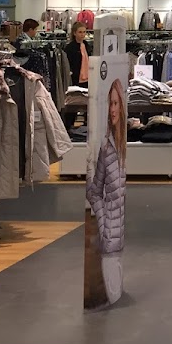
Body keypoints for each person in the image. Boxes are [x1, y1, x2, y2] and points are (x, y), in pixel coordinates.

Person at [86, 77, 127, 306]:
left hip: (121, 239)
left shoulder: (122, 146)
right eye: (110, 104)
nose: (112, 109)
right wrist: (104, 224)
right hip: (111, 240)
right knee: (113, 298)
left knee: (118, 297)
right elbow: (94, 192)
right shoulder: (106, 147)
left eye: (115, 103)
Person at [65, 21, 91, 88]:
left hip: (88, 77)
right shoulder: (70, 47)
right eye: (80, 32)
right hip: (75, 78)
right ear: (74, 33)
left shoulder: (87, 45)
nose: (82, 34)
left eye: (84, 32)